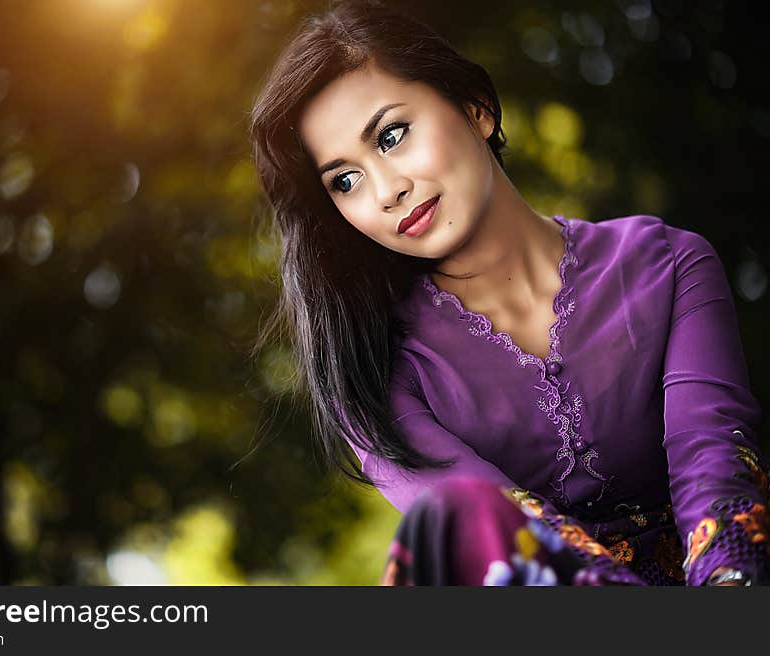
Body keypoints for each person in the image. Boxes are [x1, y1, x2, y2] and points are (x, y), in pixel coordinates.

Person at [247, 0, 770, 585]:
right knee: (456, 520)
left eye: (392, 136)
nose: (386, 191)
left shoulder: (667, 263)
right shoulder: (371, 370)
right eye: (345, 180)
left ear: (476, 109)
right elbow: (484, 530)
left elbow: (714, 462)